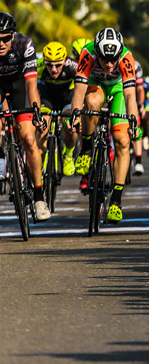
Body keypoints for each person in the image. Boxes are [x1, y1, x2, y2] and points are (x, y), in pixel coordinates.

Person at [0, 12, 49, 222]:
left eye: (6, 38)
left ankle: (40, 197)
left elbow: (31, 85)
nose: (2, 43)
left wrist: (36, 112)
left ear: (13, 36)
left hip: (18, 86)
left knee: (29, 140)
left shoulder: (25, 44)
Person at [71, 28, 141, 223]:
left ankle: (116, 201)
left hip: (118, 89)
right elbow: (79, 91)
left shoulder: (127, 58)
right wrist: (76, 114)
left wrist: (133, 121)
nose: (109, 64)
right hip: (96, 84)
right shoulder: (87, 53)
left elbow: (129, 95)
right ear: (97, 54)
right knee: (91, 102)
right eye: (104, 60)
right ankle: (86, 148)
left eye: (113, 60)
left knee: (122, 140)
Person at [37, 42, 77, 176]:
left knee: (70, 125)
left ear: (65, 61)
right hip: (47, 98)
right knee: (43, 127)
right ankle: (40, 163)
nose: (53, 69)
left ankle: (68, 155)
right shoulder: (39, 65)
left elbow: (83, 87)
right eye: (49, 65)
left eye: (58, 65)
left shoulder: (73, 67)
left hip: (67, 97)